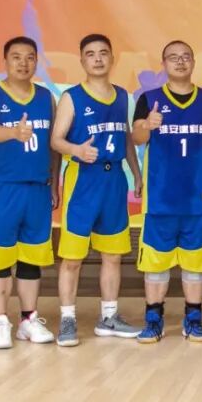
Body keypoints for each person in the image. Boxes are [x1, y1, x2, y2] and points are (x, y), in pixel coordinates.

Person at [51, 34, 143, 347]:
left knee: (113, 255)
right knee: (72, 257)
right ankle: (67, 319)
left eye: (104, 53)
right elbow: (56, 139)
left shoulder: (122, 96)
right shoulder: (72, 97)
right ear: (82, 60)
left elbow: (126, 136)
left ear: (112, 58)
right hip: (83, 181)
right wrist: (76, 150)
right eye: (91, 54)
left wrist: (136, 172)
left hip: (114, 180)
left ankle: (109, 317)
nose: (98, 59)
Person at [131, 40, 202, 343]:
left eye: (185, 57)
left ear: (193, 62)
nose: (180, 62)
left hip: (197, 197)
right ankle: (153, 319)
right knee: (156, 263)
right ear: (164, 63)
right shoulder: (149, 99)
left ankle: (193, 319)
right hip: (160, 197)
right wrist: (148, 124)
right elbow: (136, 137)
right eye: (173, 57)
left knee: (196, 262)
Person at [0, 37, 59, 348]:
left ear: (36, 61)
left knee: (30, 258)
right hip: (5, 189)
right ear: (5, 61)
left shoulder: (46, 97)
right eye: (16, 57)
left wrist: (55, 181)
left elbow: (53, 145)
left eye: (30, 57)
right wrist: (13, 132)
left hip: (38, 189)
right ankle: (0, 321)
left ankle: (28, 320)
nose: (23, 63)